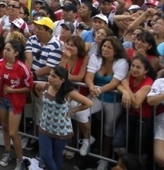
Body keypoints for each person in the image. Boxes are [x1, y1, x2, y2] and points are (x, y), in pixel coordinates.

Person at [34, 65, 92, 170]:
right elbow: (36, 88)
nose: (50, 78)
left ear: (62, 80)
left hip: (61, 130)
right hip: (44, 127)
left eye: (54, 76)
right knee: (46, 156)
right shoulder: (46, 86)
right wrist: (42, 100)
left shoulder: (69, 93)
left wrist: (72, 110)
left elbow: (88, 103)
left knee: (57, 156)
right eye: (50, 75)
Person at [85, 36, 130, 170]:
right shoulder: (95, 57)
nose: (105, 49)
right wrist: (91, 86)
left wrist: (97, 90)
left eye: (109, 47)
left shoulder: (122, 62)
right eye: (104, 46)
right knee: (79, 110)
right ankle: (87, 139)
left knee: (108, 130)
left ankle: (104, 160)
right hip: (97, 96)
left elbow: (114, 83)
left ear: (116, 50)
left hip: (113, 100)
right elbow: (88, 76)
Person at [0, 39, 33, 170]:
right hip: (2, 100)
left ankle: (20, 160)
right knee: (4, 127)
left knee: (13, 132)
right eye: (5, 49)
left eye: (8, 50)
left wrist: (13, 90)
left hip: (15, 102)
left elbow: (29, 87)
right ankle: (8, 152)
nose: (5, 52)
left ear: (16, 53)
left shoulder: (23, 68)